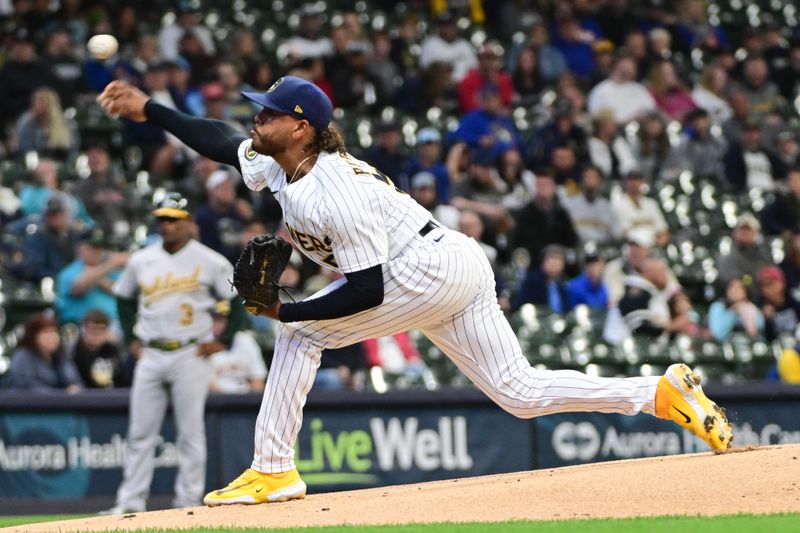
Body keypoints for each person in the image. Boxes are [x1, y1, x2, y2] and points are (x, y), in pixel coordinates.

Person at [99, 75, 733, 507]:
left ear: (301, 128)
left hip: (420, 269)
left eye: (267, 112)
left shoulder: (331, 192)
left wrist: (289, 310)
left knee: (298, 333)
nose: (254, 119)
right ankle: (657, 393)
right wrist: (152, 110)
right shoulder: (285, 163)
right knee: (519, 392)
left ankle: (272, 469)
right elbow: (217, 139)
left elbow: (368, 290)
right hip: (452, 260)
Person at [99, 193, 245, 514]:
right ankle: (129, 503)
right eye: (162, 220)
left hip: (190, 353)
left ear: (189, 223)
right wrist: (131, 339)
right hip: (151, 353)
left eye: (173, 220)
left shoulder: (209, 260)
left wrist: (225, 340)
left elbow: (237, 301)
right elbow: (124, 298)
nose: (166, 226)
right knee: (140, 433)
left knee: (190, 432)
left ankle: (187, 502)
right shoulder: (142, 259)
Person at [5, 312, 82, 392]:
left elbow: (75, 381)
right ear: (33, 336)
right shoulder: (23, 356)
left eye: (54, 332)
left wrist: (74, 388)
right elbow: (27, 387)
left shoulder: (61, 355)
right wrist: (61, 394)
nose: (52, 337)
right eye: (46, 332)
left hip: (61, 402)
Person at [66, 310, 126, 388]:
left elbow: (122, 378)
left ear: (107, 331)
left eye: (101, 330)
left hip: (112, 395)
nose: (96, 335)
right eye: (93, 330)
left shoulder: (112, 349)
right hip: (85, 396)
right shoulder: (75, 352)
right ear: (84, 330)